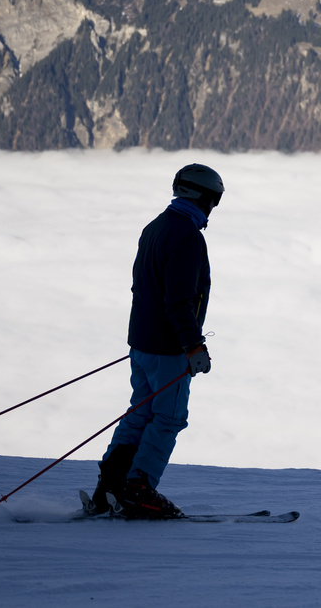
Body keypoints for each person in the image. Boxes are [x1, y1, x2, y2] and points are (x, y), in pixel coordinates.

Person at [89, 163, 224, 519]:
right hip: (169, 347)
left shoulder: (155, 228)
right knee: (168, 418)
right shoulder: (188, 237)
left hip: (142, 343)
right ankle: (139, 489)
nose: (214, 208)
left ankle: (110, 487)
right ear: (203, 197)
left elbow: (143, 289)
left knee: (139, 414)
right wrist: (193, 346)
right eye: (215, 200)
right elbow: (179, 301)